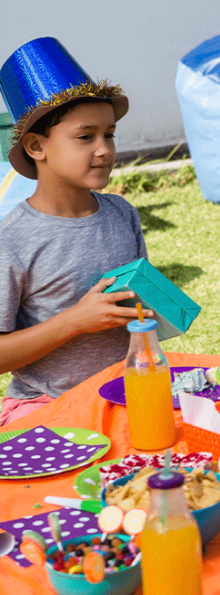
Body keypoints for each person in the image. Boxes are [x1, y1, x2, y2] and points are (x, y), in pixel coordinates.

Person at [0, 38, 150, 426]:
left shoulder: (122, 213)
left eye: (110, 134)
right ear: (36, 146)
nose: (105, 150)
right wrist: (74, 321)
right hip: (46, 405)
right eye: (86, 137)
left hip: (125, 390)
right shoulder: (12, 241)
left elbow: (140, 306)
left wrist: (152, 308)